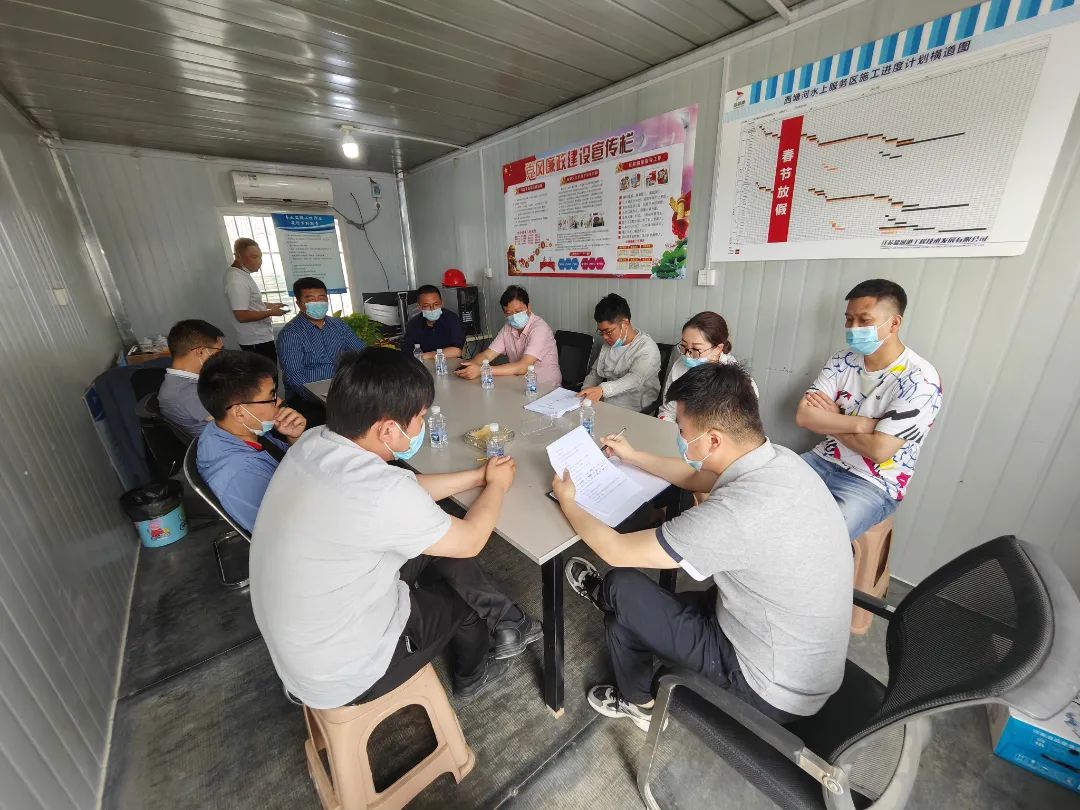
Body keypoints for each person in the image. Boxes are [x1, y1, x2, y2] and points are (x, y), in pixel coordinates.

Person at [553, 363, 851, 730]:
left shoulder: (735, 514)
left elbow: (615, 550)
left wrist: (568, 501)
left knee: (620, 585)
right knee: (621, 617)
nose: (679, 437)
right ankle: (638, 696)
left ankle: (633, 679)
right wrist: (633, 456)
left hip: (766, 685)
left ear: (713, 440)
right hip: (788, 646)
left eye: (682, 430)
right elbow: (696, 477)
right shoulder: (778, 460)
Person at [249, 348, 543, 709]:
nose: (421, 425)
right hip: (345, 674)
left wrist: (478, 476)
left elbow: (408, 490)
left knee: (436, 544)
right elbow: (470, 541)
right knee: (463, 600)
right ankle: (473, 674)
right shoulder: (381, 492)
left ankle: (510, 621)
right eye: (420, 418)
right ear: (388, 428)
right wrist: (496, 486)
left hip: (305, 641)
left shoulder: (316, 441)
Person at [796, 279, 943, 541]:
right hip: (822, 459)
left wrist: (833, 419)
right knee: (762, 498)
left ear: (894, 323)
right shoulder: (842, 360)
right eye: (849, 319)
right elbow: (804, 416)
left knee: (819, 540)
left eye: (864, 320)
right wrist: (863, 424)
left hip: (874, 483)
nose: (853, 328)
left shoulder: (920, 379)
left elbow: (880, 451)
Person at [196, 351, 307, 533]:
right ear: (239, 412)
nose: (280, 402)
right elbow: (282, 532)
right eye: (271, 396)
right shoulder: (241, 475)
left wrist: (294, 438)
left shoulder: (232, 430)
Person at [276, 276, 366, 422]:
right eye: (311, 299)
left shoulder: (339, 325)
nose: (318, 302)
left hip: (342, 390)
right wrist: (324, 398)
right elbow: (295, 376)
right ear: (299, 303)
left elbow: (362, 352)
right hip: (307, 398)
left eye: (321, 297)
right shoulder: (291, 333)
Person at [658, 311, 757, 422]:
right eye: (683, 346)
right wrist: (667, 423)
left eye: (696, 349)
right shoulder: (679, 366)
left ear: (718, 349)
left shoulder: (738, 381)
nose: (687, 355)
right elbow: (668, 410)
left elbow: (739, 426)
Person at [455, 285, 560, 388]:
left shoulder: (540, 328)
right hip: (519, 384)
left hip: (546, 387)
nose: (514, 317)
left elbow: (523, 366)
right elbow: (488, 355)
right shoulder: (508, 327)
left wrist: (482, 370)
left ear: (528, 307)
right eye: (509, 313)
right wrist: (469, 366)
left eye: (518, 311)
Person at [579, 294, 661, 411]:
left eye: (608, 332)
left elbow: (634, 379)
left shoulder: (647, 348)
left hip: (637, 408)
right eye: (601, 333)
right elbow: (595, 374)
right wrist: (585, 392)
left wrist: (602, 390)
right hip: (609, 402)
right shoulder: (609, 344)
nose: (605, 337)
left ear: (625, 324)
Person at [157, 319, 224, 438]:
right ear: (201, 352)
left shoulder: (179, 381)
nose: (221, 357)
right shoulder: (185, 390)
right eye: (218, 351)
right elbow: (236, 421)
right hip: (227, 444)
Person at [225, 238, 287, 363]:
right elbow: (241, 315)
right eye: (254, 257)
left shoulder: (243, 275)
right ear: (238, 256)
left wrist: (270, 305)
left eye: (260, 257)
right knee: (266, 372)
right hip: (255, 341)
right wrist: (270, 312)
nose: (259, 261)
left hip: (260, 337)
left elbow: (248, 303)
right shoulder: (237, 280)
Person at [403, 284, 465, 359]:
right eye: (426, 305)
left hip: (450, 363)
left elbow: (457, 351)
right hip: (424, 365)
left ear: (442, 303)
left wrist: (427, 355)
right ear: (419, 307)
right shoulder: (413, 324)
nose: (432, 309)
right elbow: (408, 353)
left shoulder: (452, 319)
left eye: (436, 304)